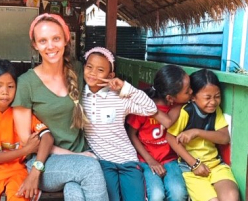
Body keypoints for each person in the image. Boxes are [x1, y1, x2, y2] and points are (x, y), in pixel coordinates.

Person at [12, 14, 109, 201]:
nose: (50, 46)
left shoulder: (80, 69)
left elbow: (106, 91)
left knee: (75, 190)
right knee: (89, 169)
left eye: (56, 38)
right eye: (43, 40)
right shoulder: (26, 84)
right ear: (35, 45)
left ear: (66, 39)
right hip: (45, 162)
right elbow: (27, 140)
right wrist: (75, 156)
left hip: (82, 155)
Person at [0, 59, 53, 201]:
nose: (5, 92)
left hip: (18, 170)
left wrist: (36, 167)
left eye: (10, 86)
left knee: (21, 196)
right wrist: (27, 150)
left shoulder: (21, 112)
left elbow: (47, 136)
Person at [82, 47, 158, 201]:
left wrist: (125, 87)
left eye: (100, 70)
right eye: (89, 67)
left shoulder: (119, 97)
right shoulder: (78, 96)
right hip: (103, 163)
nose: (92, 73)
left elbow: (150, 108)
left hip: (128, 161)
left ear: (110, 75)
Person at [166, 69, 239, 201]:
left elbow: (224, 138)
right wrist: (194, 164)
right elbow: (170, 137)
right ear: (193, 96)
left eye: (217, 96)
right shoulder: (186, 112)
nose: (213, 102)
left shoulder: (216, 111)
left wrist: (197, 132)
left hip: (216, 165)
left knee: (231, 197)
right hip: (192, 170)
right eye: (207, 97)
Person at [126, 64, 192, 201]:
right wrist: (150, 161)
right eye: (187, 91)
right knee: (156, 195)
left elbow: (168, 121)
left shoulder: (179, 106)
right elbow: (131, 134)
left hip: (170, 159)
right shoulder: (144, 107)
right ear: (170, 97)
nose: (192, 92)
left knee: (178, 194)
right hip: (146, 159)